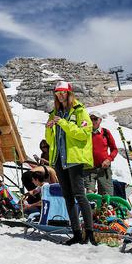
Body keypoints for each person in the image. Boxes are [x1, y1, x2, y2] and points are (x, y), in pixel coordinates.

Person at [45, 81, 96, 245]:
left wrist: (64, 123)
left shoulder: (80, 111)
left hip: (74, 159)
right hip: (59, 159)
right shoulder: (54, 113)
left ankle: (89, 232)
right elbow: (49, 140)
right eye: (57, 93)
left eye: (63, 92)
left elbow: (84, 134)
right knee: (67, 196)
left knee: (80, 195)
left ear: (69, 93)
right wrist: (48, 127)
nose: (60, 95)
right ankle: (76, 233)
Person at [83, 111, 118, 195]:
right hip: (88, 169)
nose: (93, 121)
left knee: (106, 196)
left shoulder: (105, 132)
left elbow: (114, 149)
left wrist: (109, 159)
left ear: (100, 120)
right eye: (90, 119)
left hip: (104, 169)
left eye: (95, 119)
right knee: (89, 195)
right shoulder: (84, 132)